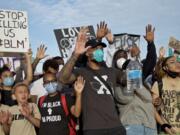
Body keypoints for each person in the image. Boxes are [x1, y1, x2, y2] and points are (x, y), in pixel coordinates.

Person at [59, 26, 126, 135]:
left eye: (101, 48)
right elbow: (63, 78)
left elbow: (132, 81)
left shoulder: (112, 71)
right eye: (95, 48)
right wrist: (75, 54)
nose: (99, 51)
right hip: (93, 129)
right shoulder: (81, 72)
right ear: (87, 52)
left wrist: (133, 67)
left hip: (116, 127)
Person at [152, 56, 180, 134]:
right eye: (172, 62)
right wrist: (163, 125)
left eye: (178, 61)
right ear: (165, 67)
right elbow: (153, 108)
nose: (177, 64)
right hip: (168, 131)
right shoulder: (158, 84)